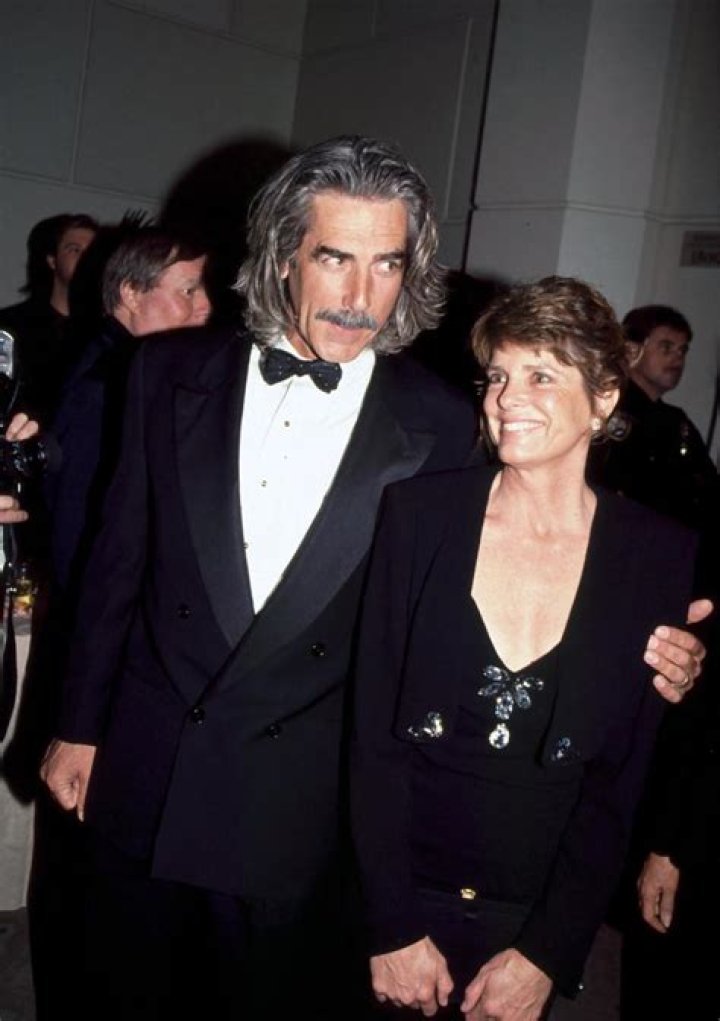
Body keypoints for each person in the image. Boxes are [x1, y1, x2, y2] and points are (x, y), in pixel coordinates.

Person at [40, 139, 703, 1020]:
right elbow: (114, 563)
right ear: (283, 255)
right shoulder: (165, 371)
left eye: (387, 264)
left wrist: (656, 650)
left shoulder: (444, 423)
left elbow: (511, 580)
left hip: (301, 803)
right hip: (148, 762)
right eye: (335, 258)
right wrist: (78, 723)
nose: (360, 295)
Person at [350, 276, 704, 1021]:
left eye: (541, 375)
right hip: (405, 898)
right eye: (498, 375)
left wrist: (549, 950)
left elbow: (619, 781)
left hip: (538, 907)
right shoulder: (419, 515)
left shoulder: (655, 554)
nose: (506, 398)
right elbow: (371, 739)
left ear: (604, 397)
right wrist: (391, 924)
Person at [24, 227, 210, 1021]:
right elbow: (87, 553)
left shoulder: (125, 370)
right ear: (130, 295)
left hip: (102, 658)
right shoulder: (113, 383)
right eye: (187, 290)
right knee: (90, 881)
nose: (204, 308)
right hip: (102, 665)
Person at [588, 304, 718, 531]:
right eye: (666, 347)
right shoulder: (605, 409)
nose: (677, 359)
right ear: (632, 351)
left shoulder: (677, 422)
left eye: (682, 350)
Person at [0, 213, 99, 425]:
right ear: (52, 260)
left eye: (93, 251)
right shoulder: (12, 325)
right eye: (74, 250)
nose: (86, 259)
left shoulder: (107, 335)